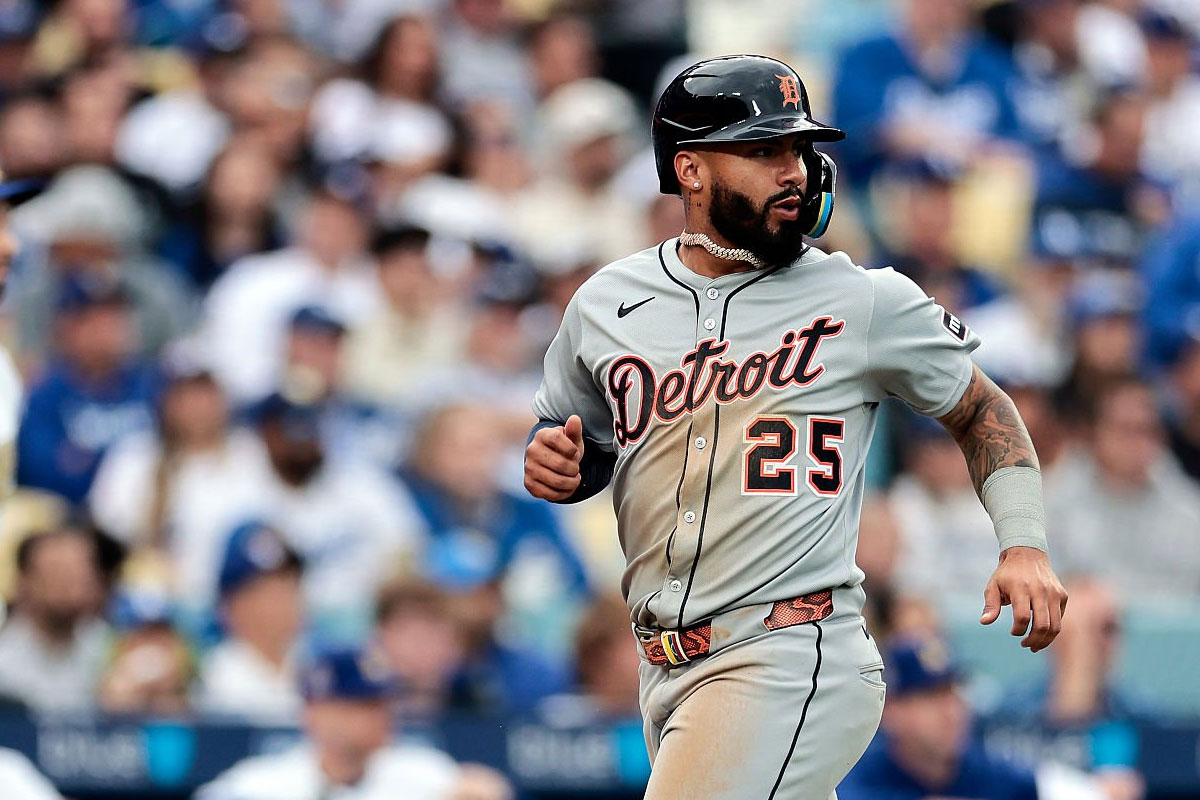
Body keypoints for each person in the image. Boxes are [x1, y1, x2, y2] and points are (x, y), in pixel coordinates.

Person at [524, 55, 1068, 800]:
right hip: (667, 667)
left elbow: (982, 409)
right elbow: (580, 440)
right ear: (689, 170)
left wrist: (1024, 542)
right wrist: (558, 464)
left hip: (789, 650)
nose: (794, 170)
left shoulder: (864, 300)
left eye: (799, 149)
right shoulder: (605, 304)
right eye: (762, 151)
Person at [196, 644, 514, 800]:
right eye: (362, 705)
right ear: (315, 712)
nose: (380, 716)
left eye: (382, 703)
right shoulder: (266, 783)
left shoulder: (427, 775)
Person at [838, 635, 1040, 800]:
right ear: (890, 709)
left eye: (954, 692)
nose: (950, 711)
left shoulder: (1003, 779)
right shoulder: (852, 775)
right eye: (931, 697)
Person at [195, 520, 305, 721]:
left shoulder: (314, 665)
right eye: (266, 591)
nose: (285, 600)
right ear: (231, 605)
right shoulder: (215, 679)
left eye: (290, 585)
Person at [0, 525, 111, 711]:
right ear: (25, 581)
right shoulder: (4, 660)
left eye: (82, 571)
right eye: (59, 571)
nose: (74, 585)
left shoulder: (113, 648)